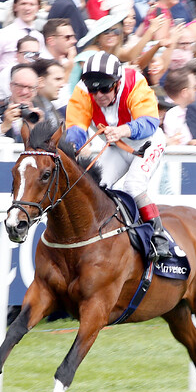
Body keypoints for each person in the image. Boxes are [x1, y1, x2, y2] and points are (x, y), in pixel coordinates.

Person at [65, 52, 171, 261]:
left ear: (117, 82)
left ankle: (159, 236)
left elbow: (150, 122)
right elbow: (76, 127)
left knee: (133, 185)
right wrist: (72, 148)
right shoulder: (82, 91)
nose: (99, 95)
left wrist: (123, 130)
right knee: (95, 185)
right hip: (117, 147)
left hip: (147, 143)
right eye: (94, 90)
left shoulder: (134, 81)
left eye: (105, 88)